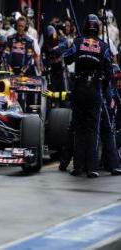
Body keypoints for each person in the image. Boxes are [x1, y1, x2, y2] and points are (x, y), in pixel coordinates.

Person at [61, 14, 112, 178]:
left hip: (79, 88)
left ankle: (78, 167)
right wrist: (104, 90)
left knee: (79, 128)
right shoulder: (104, 46)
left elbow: (67, 59)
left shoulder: (77, 42)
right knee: (93, 130)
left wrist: (72, 45)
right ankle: (92, 168)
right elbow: (109, 72)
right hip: (95, 89)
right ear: (97, 27)